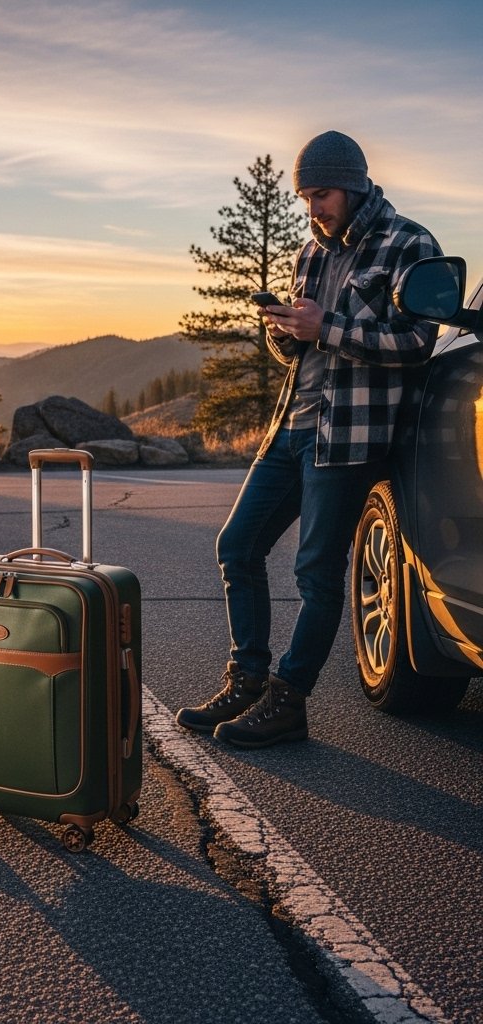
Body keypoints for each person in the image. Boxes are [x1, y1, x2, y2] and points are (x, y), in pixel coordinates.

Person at [176, 130, 443, 748]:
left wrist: (329, 327)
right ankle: (246, 681)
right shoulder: (311, 251)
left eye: (320, 194)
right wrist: (287, 333)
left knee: (316, 574)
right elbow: (297, 348)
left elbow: (417, 342)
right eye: (304, 198)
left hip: (348, 436)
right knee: (237, 547)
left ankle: (288, 702)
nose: (312, 208)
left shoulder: (410, 242)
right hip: (291, 425)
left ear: (351, 185)